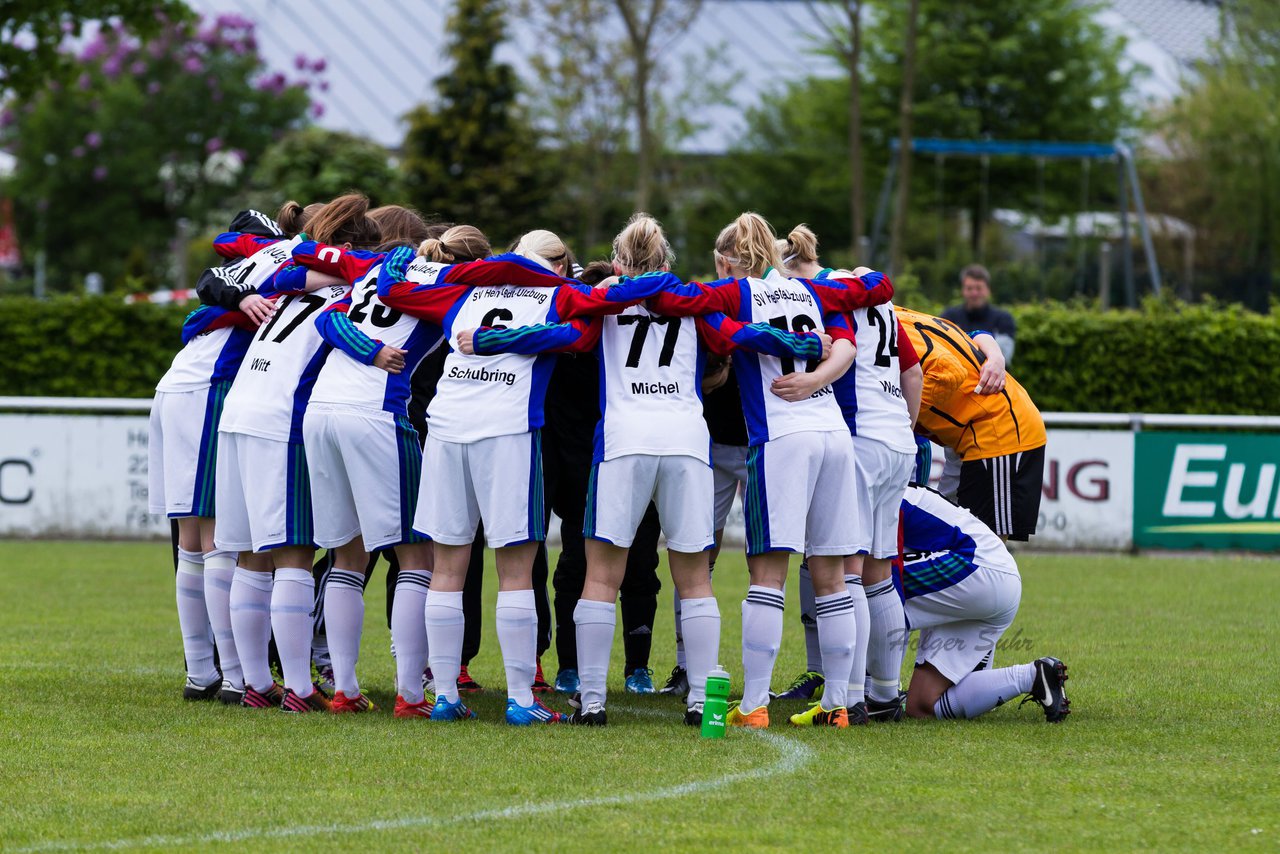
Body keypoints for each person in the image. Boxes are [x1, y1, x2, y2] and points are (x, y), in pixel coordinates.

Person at [460, 213, 829, 727]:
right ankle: (701, 697)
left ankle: (591, 700)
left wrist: (489, 340)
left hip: (623, 442)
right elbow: (736, 338)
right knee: (695, 578)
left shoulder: (603, 302)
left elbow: (564, 337)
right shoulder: (691, 301)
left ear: (617, 262)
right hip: (685, 443)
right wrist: (809, 345)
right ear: (665, 262)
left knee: (600, 576)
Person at [374, 228, 671, 724]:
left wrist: (399, 257)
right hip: (508, 432)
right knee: (514, 570)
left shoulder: (463, 288)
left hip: (447, 427)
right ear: (556, 266)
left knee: (447, 567)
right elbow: (592, 327)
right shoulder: (561, 293)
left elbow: (393, 291)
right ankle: (520, 700)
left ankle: (445, 695)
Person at [640, 211, 895, 729]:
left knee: (767, 574)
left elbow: (668, 301)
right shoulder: (815, 292)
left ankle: (755, 704)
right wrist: (809, 363)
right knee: (832, 576)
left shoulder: (735, 292)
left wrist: (745, 330)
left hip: (781, 439)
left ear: (726, 258)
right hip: (835, 438)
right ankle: (838, 705)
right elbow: (865, 309)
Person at [214, 194, 381, 713]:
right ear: (351, 248)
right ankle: (300, 690)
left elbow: (227, 279)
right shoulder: (350, 290)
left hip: (238, 411)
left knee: (248, 554)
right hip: (280, 419)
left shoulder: (288, 275)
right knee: (294, 555)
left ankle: (255, 684)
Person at [289, 208, 448, 718]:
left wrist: (362, 344)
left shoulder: (368, 271)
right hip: (376, 414)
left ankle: (346, 689)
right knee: (416, 557)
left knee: (346, 557)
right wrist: (376, 351)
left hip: (321, 414)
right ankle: (411, 695)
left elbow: (327, 317)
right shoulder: (445, 281)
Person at [149, 204, 308, 704]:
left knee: (194, 538)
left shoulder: (241, 265)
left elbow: (203, 294)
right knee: (214, 537)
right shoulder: (284, 257)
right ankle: (233, 676)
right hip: (210, 387)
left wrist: (234, 301)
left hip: (181, 386)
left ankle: (203, 671)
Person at [773, 226, 923, 724]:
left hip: (858, 441)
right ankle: (884, 694)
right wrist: (906, 428)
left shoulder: (819, 294)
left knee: (848, 574)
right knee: (880, 573)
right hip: (898, 439)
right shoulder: (867, 292)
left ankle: (849, 698)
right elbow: (913, 370)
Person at [895, 484, 1070, 723]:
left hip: (976, 567)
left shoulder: (873, 491)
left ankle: (872, 695)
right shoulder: (887, 482)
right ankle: (1033, 676)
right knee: (921, 705)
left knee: (877, 592)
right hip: (998, 576)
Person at [895, 308, 1046, 541]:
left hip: (996, 431)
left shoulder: (882, 325)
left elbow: (947, 370)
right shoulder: (898, 315)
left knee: (986, 546)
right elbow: (974, 335)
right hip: (966, 436)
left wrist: (902, 421)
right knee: (942, 534)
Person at [942, 264, 1016, 362]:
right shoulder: (949, 317)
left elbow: (1003, 355)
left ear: (988, 290)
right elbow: (941, 348)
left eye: (979, 288)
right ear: (963, 290)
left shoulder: (1003, 319)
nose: (974, 293)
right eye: (969, 288)